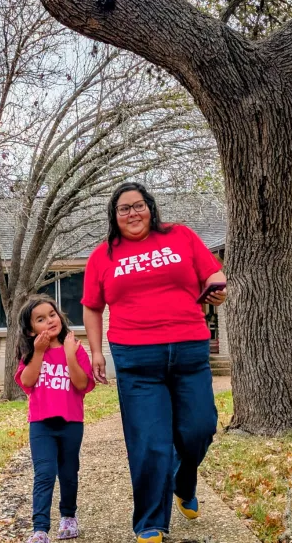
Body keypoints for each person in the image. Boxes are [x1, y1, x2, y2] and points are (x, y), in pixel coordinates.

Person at [80, 182, 227, 543]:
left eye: (138, 205)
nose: (133, 213)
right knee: (149, 440)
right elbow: (92, 306)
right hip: (136, 357)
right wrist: (96, 352)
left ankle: (182, 480)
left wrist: (218, 286)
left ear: (151, 207)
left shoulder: (181, 236)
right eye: (123, 209)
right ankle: (150, 523)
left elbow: (212, 273)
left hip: (190, 350)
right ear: (114, 217)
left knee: (200, 428)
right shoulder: (104, 256)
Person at [15, 295, 96, 543]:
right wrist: (39, 351)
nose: (50, 321)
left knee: (69, 472)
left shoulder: (75, 347)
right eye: (40, 319)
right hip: (41, 424)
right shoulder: (32, 352)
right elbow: (27, 382)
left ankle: (68, 517)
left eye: (52, 314)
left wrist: (70, 354)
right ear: (31, 330)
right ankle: (40, 529)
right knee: (45, 473)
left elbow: (82, 383)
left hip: (71, 423)